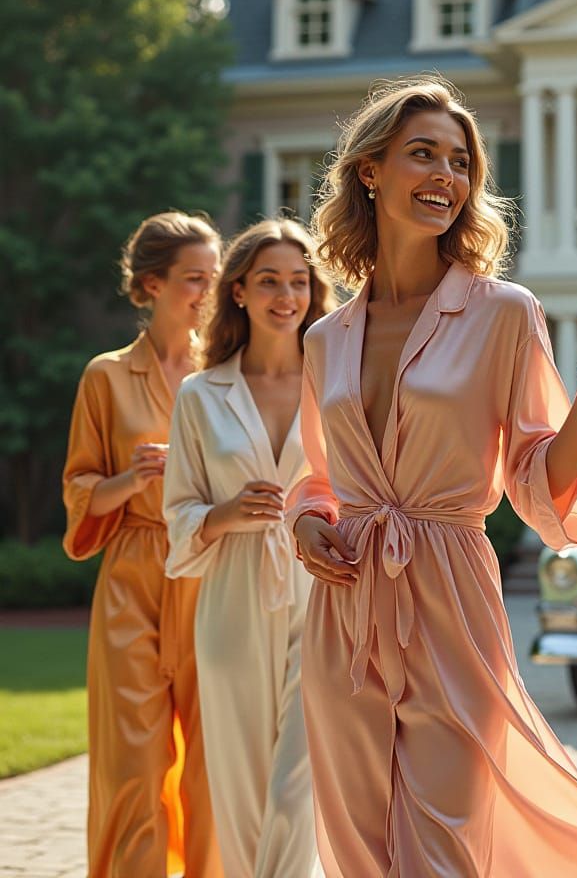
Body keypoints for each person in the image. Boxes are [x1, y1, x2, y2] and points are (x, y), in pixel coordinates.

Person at [288, 76, 577, 877]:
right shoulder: (325, 337)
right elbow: (314, 476)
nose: (446, 176)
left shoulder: (504, 311)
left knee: (443, 850)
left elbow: (540, 477)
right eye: (423, 155)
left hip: (450, 599)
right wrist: (305, 521)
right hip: (344, 608)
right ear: (370, 170)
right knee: (357, 852)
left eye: (461, 162)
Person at [163, 218, 335, 878]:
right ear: (238, 292)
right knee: (240, 799)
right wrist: (223, 515)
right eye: (269, 281)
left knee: (296, 795)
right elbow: (177, 513)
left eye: (298, 281)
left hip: (317, 594)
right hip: (232, 603)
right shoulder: (200, 396)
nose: (285, 295)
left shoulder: (335, 386)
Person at [62, 211, 223, 877]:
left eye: (216, 279)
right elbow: (78, 492)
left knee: (214, 770)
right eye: (194, 279)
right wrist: (130, 479)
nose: (209, 294)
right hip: (132, 576)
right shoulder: (105, 376)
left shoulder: (226, 376)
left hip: (211, 576)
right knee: (135, 765)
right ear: (151, 285)